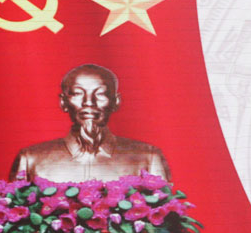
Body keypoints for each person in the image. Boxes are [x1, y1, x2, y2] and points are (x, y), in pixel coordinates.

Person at [9, 63, 170, 182]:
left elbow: (165, 216)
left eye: (100, 93)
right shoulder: (31, 159)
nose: (89, 102)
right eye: (78, 93)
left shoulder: (147, 157)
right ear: (63, 102)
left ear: (116, 102)